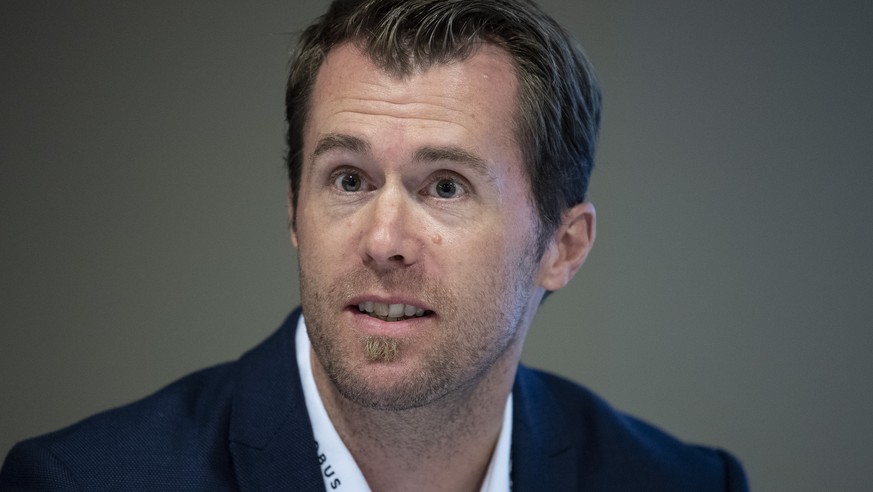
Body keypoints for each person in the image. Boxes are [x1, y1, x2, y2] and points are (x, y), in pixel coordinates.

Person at [0, 0, 748, 490]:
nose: (384, 241)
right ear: (295, 210)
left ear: (563, 245)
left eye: (446, 186)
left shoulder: (679, 483)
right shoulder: (80, 482)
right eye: (349, 179)